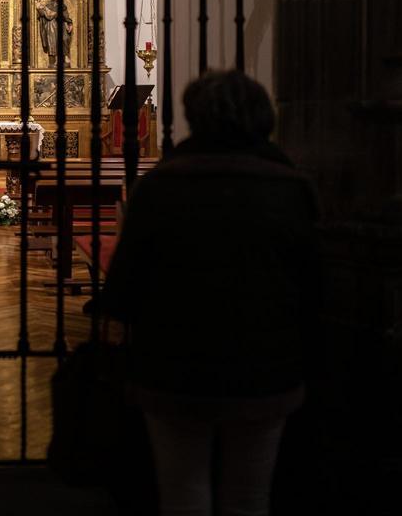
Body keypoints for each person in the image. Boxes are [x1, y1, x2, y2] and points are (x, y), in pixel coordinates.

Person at [101, 70, 320, 516]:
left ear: (193, 117)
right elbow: (314, 286)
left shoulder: (160, 187)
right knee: (250, 496)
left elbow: (124, 284)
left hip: (172, 366)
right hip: (265, 365)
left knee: (183, 493)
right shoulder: (292, 188)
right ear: (263, 118)